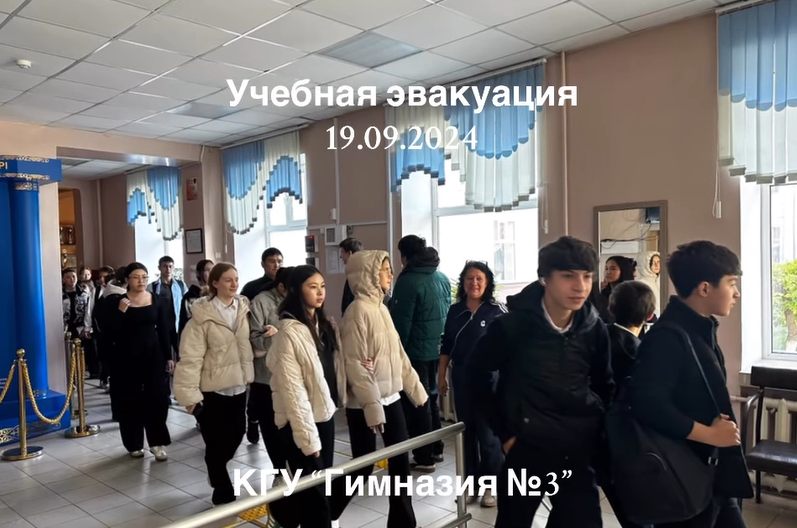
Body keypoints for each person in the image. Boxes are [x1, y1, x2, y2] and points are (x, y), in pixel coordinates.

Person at [468, 236, 613, 528]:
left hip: (575, 449)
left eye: (587, 276)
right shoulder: (512, 327)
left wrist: (595, 433)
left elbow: (604, 384)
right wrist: (505, 432)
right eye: (568, 276)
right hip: (526, 447)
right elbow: (475, 373)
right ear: (545, 278)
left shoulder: (594, 328)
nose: (580, 286)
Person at [627, 241, 751, 528]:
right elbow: (648, 405)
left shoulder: (700, 329)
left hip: (710, 473)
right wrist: (710, 435)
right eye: (731, 284)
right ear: (705, 288)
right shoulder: (667, 338)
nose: (736, 293)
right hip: (682, 477)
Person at [341, 250, 428, 527]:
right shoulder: (357, 311)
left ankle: (403, 523)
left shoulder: (381, 308)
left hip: (390, 399)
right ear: (369, 274)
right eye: (385, 270)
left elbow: (397, 354)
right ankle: (322, 512)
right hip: (365, 405)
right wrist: (373, 408)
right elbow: (355, 365)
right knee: (362, 467)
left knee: (400, 463)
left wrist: (416, 390)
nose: (391, 274)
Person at [266, 265, 349, 528]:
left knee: (319, 488)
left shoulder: (324, 325)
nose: (320, 292)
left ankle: (283, 515)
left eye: (322, 286)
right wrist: (307, 438)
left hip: (323, 415)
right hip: (299, 423)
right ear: (295, 291)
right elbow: (293, 392)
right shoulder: (289, 333)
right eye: (312, 287)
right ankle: (284, 514)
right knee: (315, 499)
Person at [175, 263, 254, 506]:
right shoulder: (202, 316)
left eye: (236, 279)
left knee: (237, 434)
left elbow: (246, 343)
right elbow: (190, 358)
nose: (234, 284)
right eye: (228, 280)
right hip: (212, 390)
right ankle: (222, 488)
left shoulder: (243, 309)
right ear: (215, 283)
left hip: (238, 385)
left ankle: (215, 469)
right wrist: (189, 396)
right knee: (215, 442)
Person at [438, 261, 505, 508]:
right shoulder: (455, 310)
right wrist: (441, 374)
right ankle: (470, 484)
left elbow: (510, 347)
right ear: (463, 282)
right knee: (466, 433)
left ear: (487, 283)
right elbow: (447, 345)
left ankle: (490, 486)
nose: (474, 283)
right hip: (462, 377)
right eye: (469, 278)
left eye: (479, 279)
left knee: (488, 435)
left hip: (489, 379)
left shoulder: (497, 310)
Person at [390, 235, 451, 472]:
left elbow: (401, 324)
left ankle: (424, 457)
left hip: (415, 352)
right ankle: (436, 448)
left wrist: (397, 353)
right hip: (438, 349)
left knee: (418, 401)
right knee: (431, 399)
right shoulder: (441, 277)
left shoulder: (408, 281)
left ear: (405, 256)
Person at [110, 263, 173, 460]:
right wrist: (120, 312)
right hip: (127, 356)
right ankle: (134, 443)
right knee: (131, 399)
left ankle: (157, 442)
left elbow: (163, 329)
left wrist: (169, 356)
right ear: (127, 280)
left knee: (158, 398)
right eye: (136, 277)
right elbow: (111, 332)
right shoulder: (118, 302)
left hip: (153, 354)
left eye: (144, 277)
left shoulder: (157, 300)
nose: (141, 281)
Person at [247, 266, 294, 464]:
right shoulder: (261, 302)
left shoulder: (297, 300)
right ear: (281, 286)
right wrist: (278, 337)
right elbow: (255, 340)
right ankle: (279, 469)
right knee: (270, 426)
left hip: (291, 374)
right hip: (265, 377)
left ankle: (293, 468)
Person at [178, 259, 214, 340]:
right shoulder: (190, 297)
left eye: (213, 270)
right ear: (198, 273)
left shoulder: (218, 294)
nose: (212, 273)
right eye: (208, 270)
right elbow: (185, 323)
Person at [339, 237, 363, 316]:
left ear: (349, 253)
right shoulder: (359, 273)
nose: (340, 256)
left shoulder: (355, 276)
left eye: (342, 252)